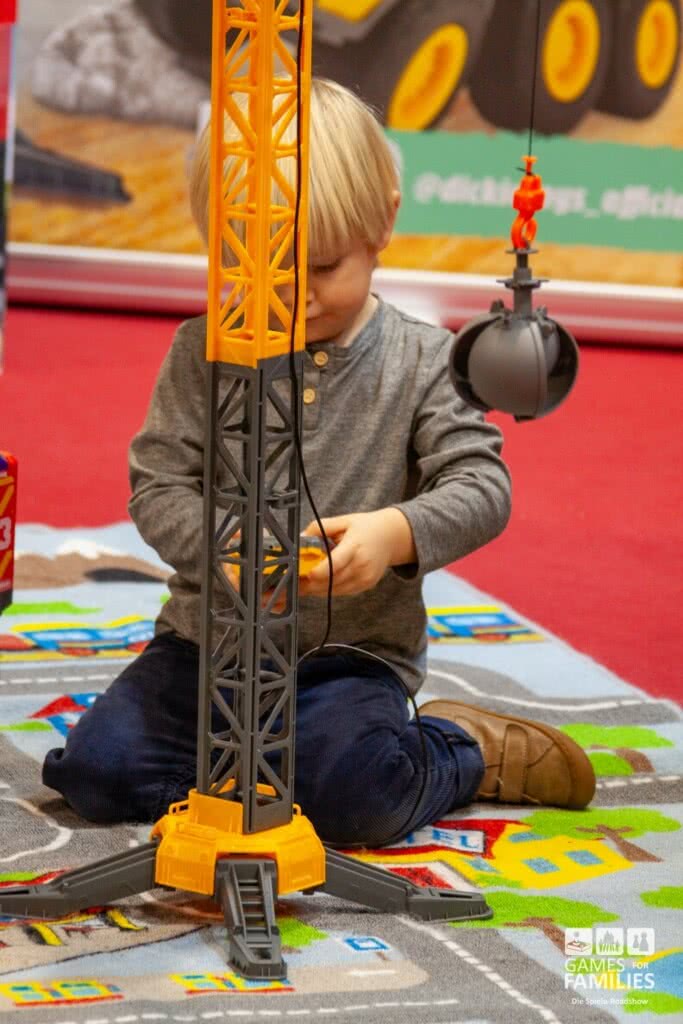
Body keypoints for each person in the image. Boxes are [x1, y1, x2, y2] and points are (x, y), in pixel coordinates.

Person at [42, 79, 595, 846]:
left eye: (322, 267)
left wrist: (392, 534)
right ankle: (255, 774)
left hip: (348, 657)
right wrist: (222, 547)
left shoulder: (423, 361)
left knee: (355, 801)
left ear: (383, 223)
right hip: (207, 647)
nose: (290, 296)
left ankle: (464, 748)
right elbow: (159, 485)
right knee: (97, 776)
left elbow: (481, 486)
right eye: (255, 267)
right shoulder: (201, 351)